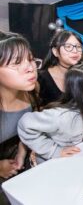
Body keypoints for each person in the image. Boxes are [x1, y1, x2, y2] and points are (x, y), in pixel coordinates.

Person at [18, 62, 83, 164]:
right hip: (50, 165)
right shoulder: (63, 116)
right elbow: (25, 124)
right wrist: (54, 150)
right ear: (79, 90)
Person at [0, 32, 40, 204]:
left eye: (31, 59)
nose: (30, 67)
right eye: (17, 62)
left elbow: (26, 128)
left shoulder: (31, 91)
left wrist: (22, 153)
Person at [39, 30, 83, 106]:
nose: (75, 51)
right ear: (55, 51)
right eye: (68, 47)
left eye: (78, 46)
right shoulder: (41, 78)